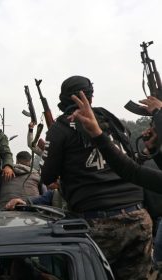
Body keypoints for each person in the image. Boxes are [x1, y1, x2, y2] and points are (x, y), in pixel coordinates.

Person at [40, 76, 152, 280]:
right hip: (138, 217)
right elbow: (131, 162)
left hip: (96, 222)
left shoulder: (61, 127)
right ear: (90, 97)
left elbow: (47, 177)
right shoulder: (111, 120)